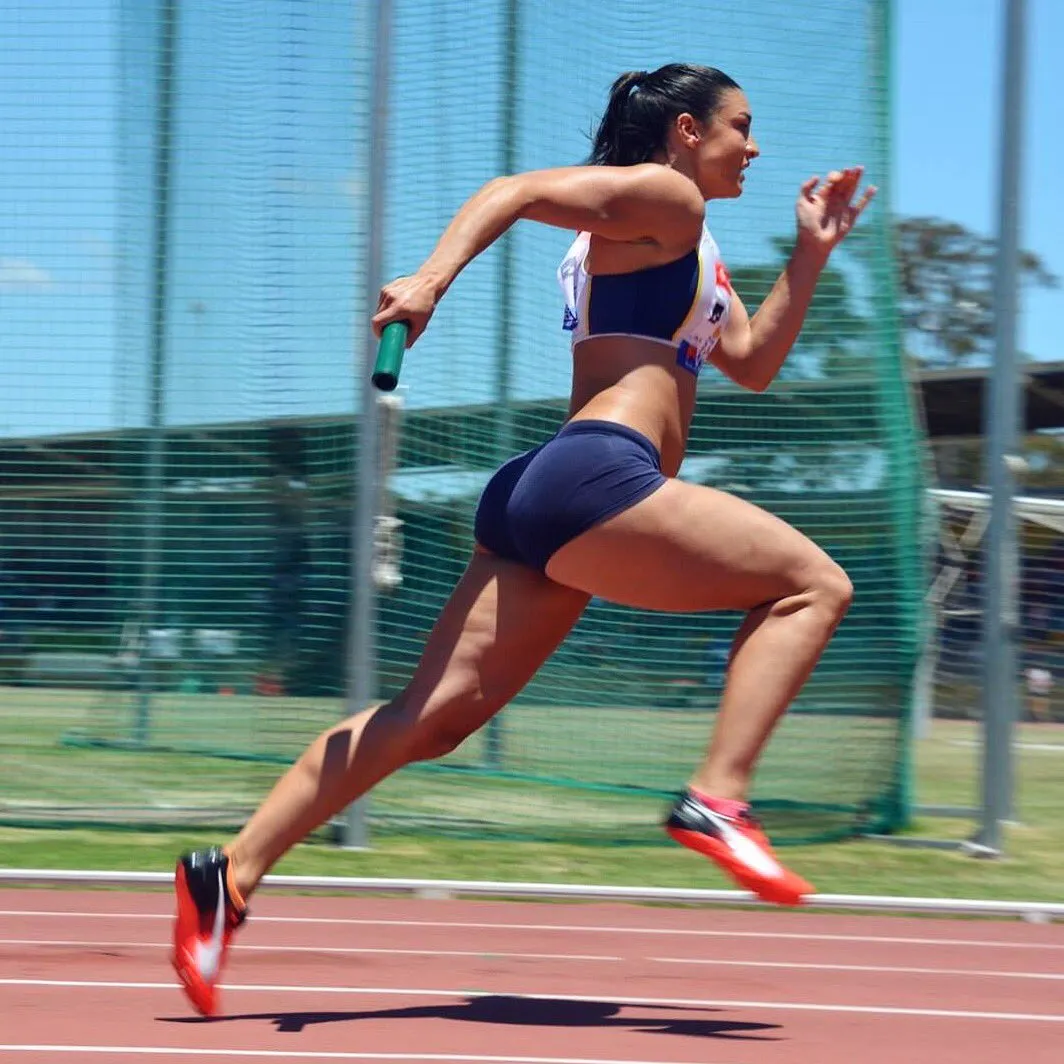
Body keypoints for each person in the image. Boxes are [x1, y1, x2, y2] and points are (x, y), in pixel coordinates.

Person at [172, 62, 876, 1016]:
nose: (753, 147)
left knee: (430, 718)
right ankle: (719, 795)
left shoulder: (685, 242)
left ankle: (231, 873)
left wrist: (810, 255)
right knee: (811, 587)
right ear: (682, 131)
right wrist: (427, 282)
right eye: (740, 127)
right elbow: (514, 191)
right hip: (602, 475)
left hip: (546, 491)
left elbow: (749, 364)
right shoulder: (666, 198)